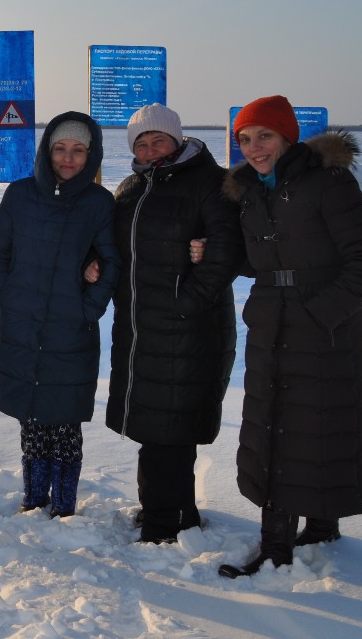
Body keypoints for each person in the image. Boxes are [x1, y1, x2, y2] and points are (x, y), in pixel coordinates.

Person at [217, 95, 362, 578]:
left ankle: (290, 542)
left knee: (315, 427)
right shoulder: (251, 191)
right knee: (274, 426)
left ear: (287, 137)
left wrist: (320, 313)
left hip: (327, 332)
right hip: (272, 326)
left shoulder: (328, 183)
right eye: (244, 139)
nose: (254, 148)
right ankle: (304, 531)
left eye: (264, 136)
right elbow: (260, 259)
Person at [105, 104, 244, 544]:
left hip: (189, 328)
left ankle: (164, 524)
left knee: (170, 428)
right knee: (159, 426)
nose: (150, 150)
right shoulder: (131, 188)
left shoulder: (210, 183)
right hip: (142, 327)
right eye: (141, 144)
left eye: (158, 140)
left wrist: (185, 305)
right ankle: (173, 511)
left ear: (178, 139)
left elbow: (224, 254)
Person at [0, 111, 119, 517]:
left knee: (64, 421)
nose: (68, 158)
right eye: (60, 148)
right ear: (47, 150)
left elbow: (111, 261)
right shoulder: (20, 194)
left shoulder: (99, 202)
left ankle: (63, 506)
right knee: (31, 418)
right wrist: (8, 298)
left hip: (70, 330)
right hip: (23, 325)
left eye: (78, 151)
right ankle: (32, 498)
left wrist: (88, 309)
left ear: (91, 154)